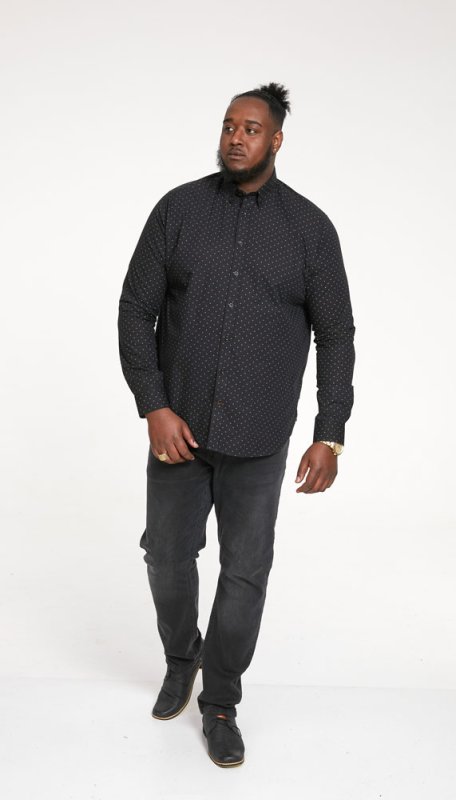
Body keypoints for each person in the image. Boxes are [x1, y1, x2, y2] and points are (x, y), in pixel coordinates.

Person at [117, 81, 356, 768]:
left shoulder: (309, 230)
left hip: (259, 436)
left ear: (276, 140)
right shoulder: (179, 211)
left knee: (245, 571)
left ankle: (220, 701)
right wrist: (154, 405)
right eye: (228, 126)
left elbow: (336, 334)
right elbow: (135, 310)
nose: (235, 138)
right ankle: (181, 659)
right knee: (165, 556)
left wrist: (330, 432)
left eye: (250, 128)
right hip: (180, 431)